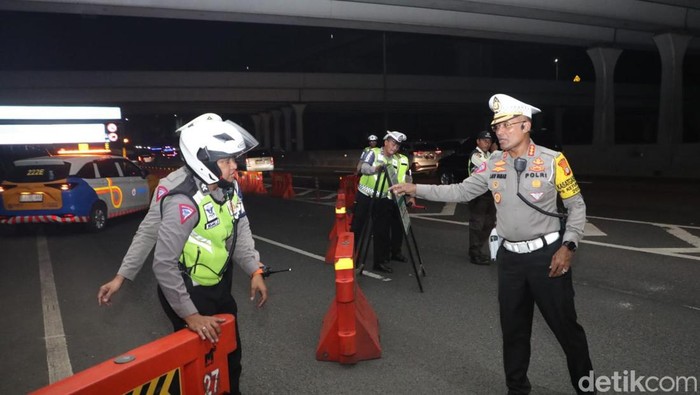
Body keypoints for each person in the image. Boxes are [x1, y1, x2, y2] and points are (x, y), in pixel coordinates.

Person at [390, 94, 593, 394]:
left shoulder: (553, 161)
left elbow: (576, 206)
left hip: (547, 257)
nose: (499, 131)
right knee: (513, 332)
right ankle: (517, 389)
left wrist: (569, 245)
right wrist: (415, 187)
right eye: (497, 126)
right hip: (510, 260)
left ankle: (587, 388)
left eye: (507, 125)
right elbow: (461, 191)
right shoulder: (493, 162)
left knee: (567, 331)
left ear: (526, 125)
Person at [350, 131, 407, 273]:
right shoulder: (373, 153)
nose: (394, 148)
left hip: (382, 198)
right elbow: (363, 168)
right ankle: (351, 258)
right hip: (365, 195)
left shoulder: (396, 160)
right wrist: (376, 169)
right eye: (393, 144)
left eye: (397, 146)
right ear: (386, 142)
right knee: (358, 227)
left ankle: (380, 262)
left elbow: (401, 178)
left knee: (381, 230)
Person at [466, 129, 497, 265]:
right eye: (484, 140)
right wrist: (496, 153)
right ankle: (474, 254)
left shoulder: (489, 154)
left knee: (489, 223)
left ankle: (478, 249)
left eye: (489, 141)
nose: (487, 143)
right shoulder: (476, 155)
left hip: (489, 194)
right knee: (477, 224)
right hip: (477, 194)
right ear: (478, 141)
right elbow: (491, 167)